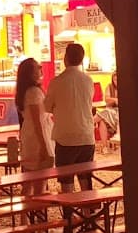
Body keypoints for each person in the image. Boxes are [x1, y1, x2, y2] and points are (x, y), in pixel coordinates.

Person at [48, 43, 96, 189]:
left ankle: (69, 212)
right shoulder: (88, 81)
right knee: (86, 179)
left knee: (66, 181)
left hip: (65, 138)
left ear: (65, 59)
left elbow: (47, 107)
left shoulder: (56, 82)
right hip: (87, 136)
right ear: (82, 60)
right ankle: (88, 211)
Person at [15, 58, 54, 193]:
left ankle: (26, 213)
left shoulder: (25, 91)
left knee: (29, 180)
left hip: (30, 134)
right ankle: (36, 211)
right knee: (39, 179)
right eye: (37, 67)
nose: (40, 69)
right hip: (37, 137)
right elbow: (37, 121)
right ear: (30, 72)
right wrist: (44, 146)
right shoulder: (34, 92)